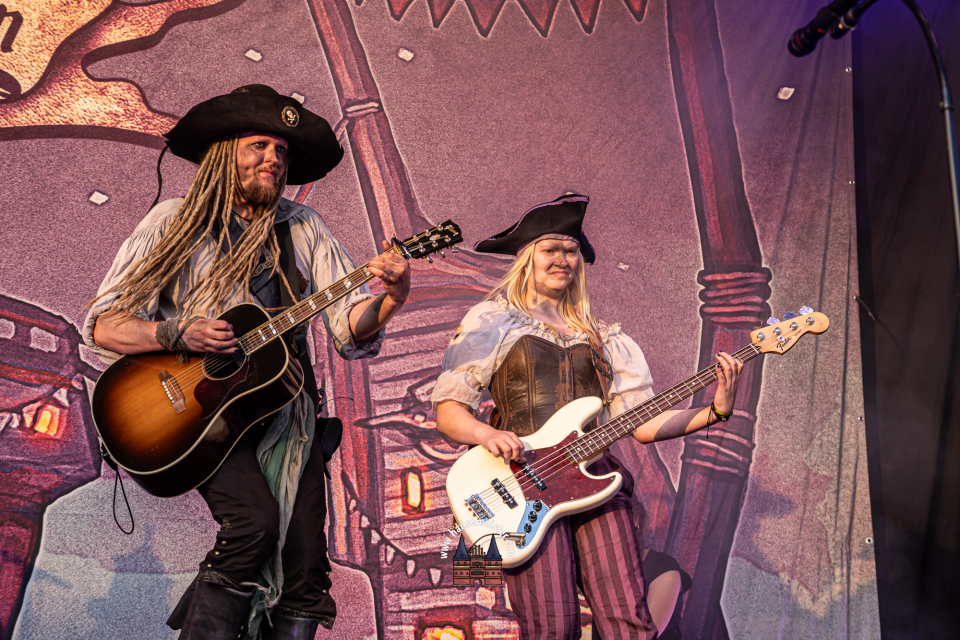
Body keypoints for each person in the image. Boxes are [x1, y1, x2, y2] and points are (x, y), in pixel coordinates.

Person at [83, 85, 411, 640]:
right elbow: (104, 324)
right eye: (259, 145)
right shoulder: (173, 221)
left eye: (281, 151)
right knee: (252, 524)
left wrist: (391, 300)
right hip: (202, 412)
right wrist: (176, 331)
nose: (273, 159)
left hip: (285, 413)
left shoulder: (303, 227)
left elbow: (347, 325)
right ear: (223, 153)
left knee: (305, 566)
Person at [431, 194, 742, 640]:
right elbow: (448, 412)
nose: (563, 260)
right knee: (553, 627)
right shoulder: (494, 322)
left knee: (628, 622)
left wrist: (714, 410)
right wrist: (485, 433)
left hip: (595, 479)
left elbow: (642, 425)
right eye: (551, 249)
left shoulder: (603, 339)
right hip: (522, 485)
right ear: (526, 258)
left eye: (571, 250)